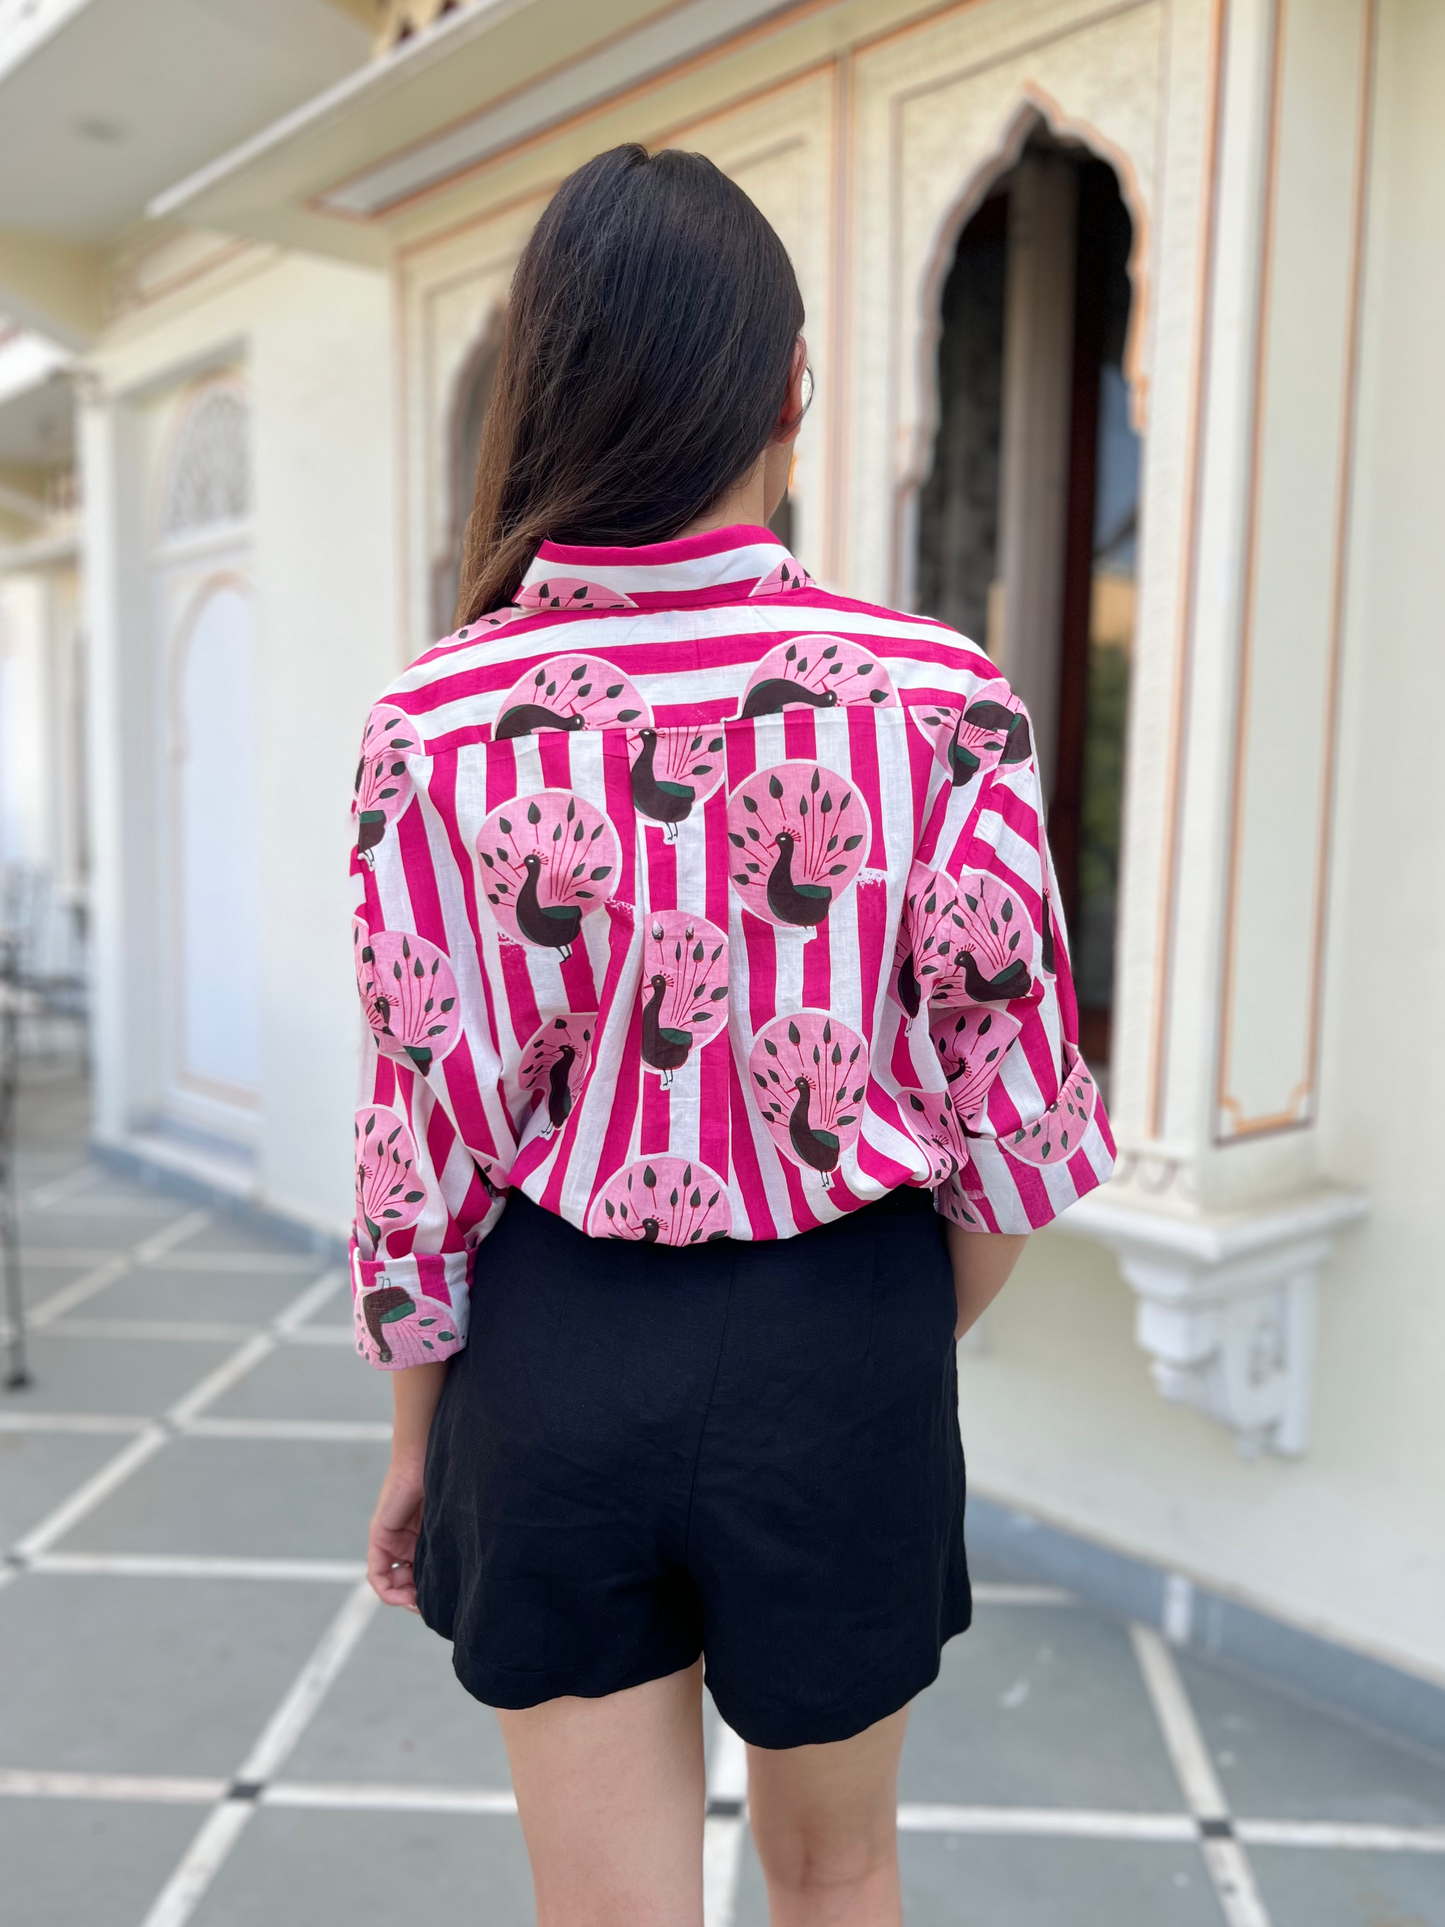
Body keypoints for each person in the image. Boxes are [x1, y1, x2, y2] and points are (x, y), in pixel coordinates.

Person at [351, 144, 1113, 1927]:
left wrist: (417, 1436)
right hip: (842, 1332)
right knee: (840, 1874)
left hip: (550, 1349)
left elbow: (423, 1133)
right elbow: (1019, 1122)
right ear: (790, 394)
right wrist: (873, 1335)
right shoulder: (939, 695)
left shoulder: (429, 725)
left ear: (544, 383)